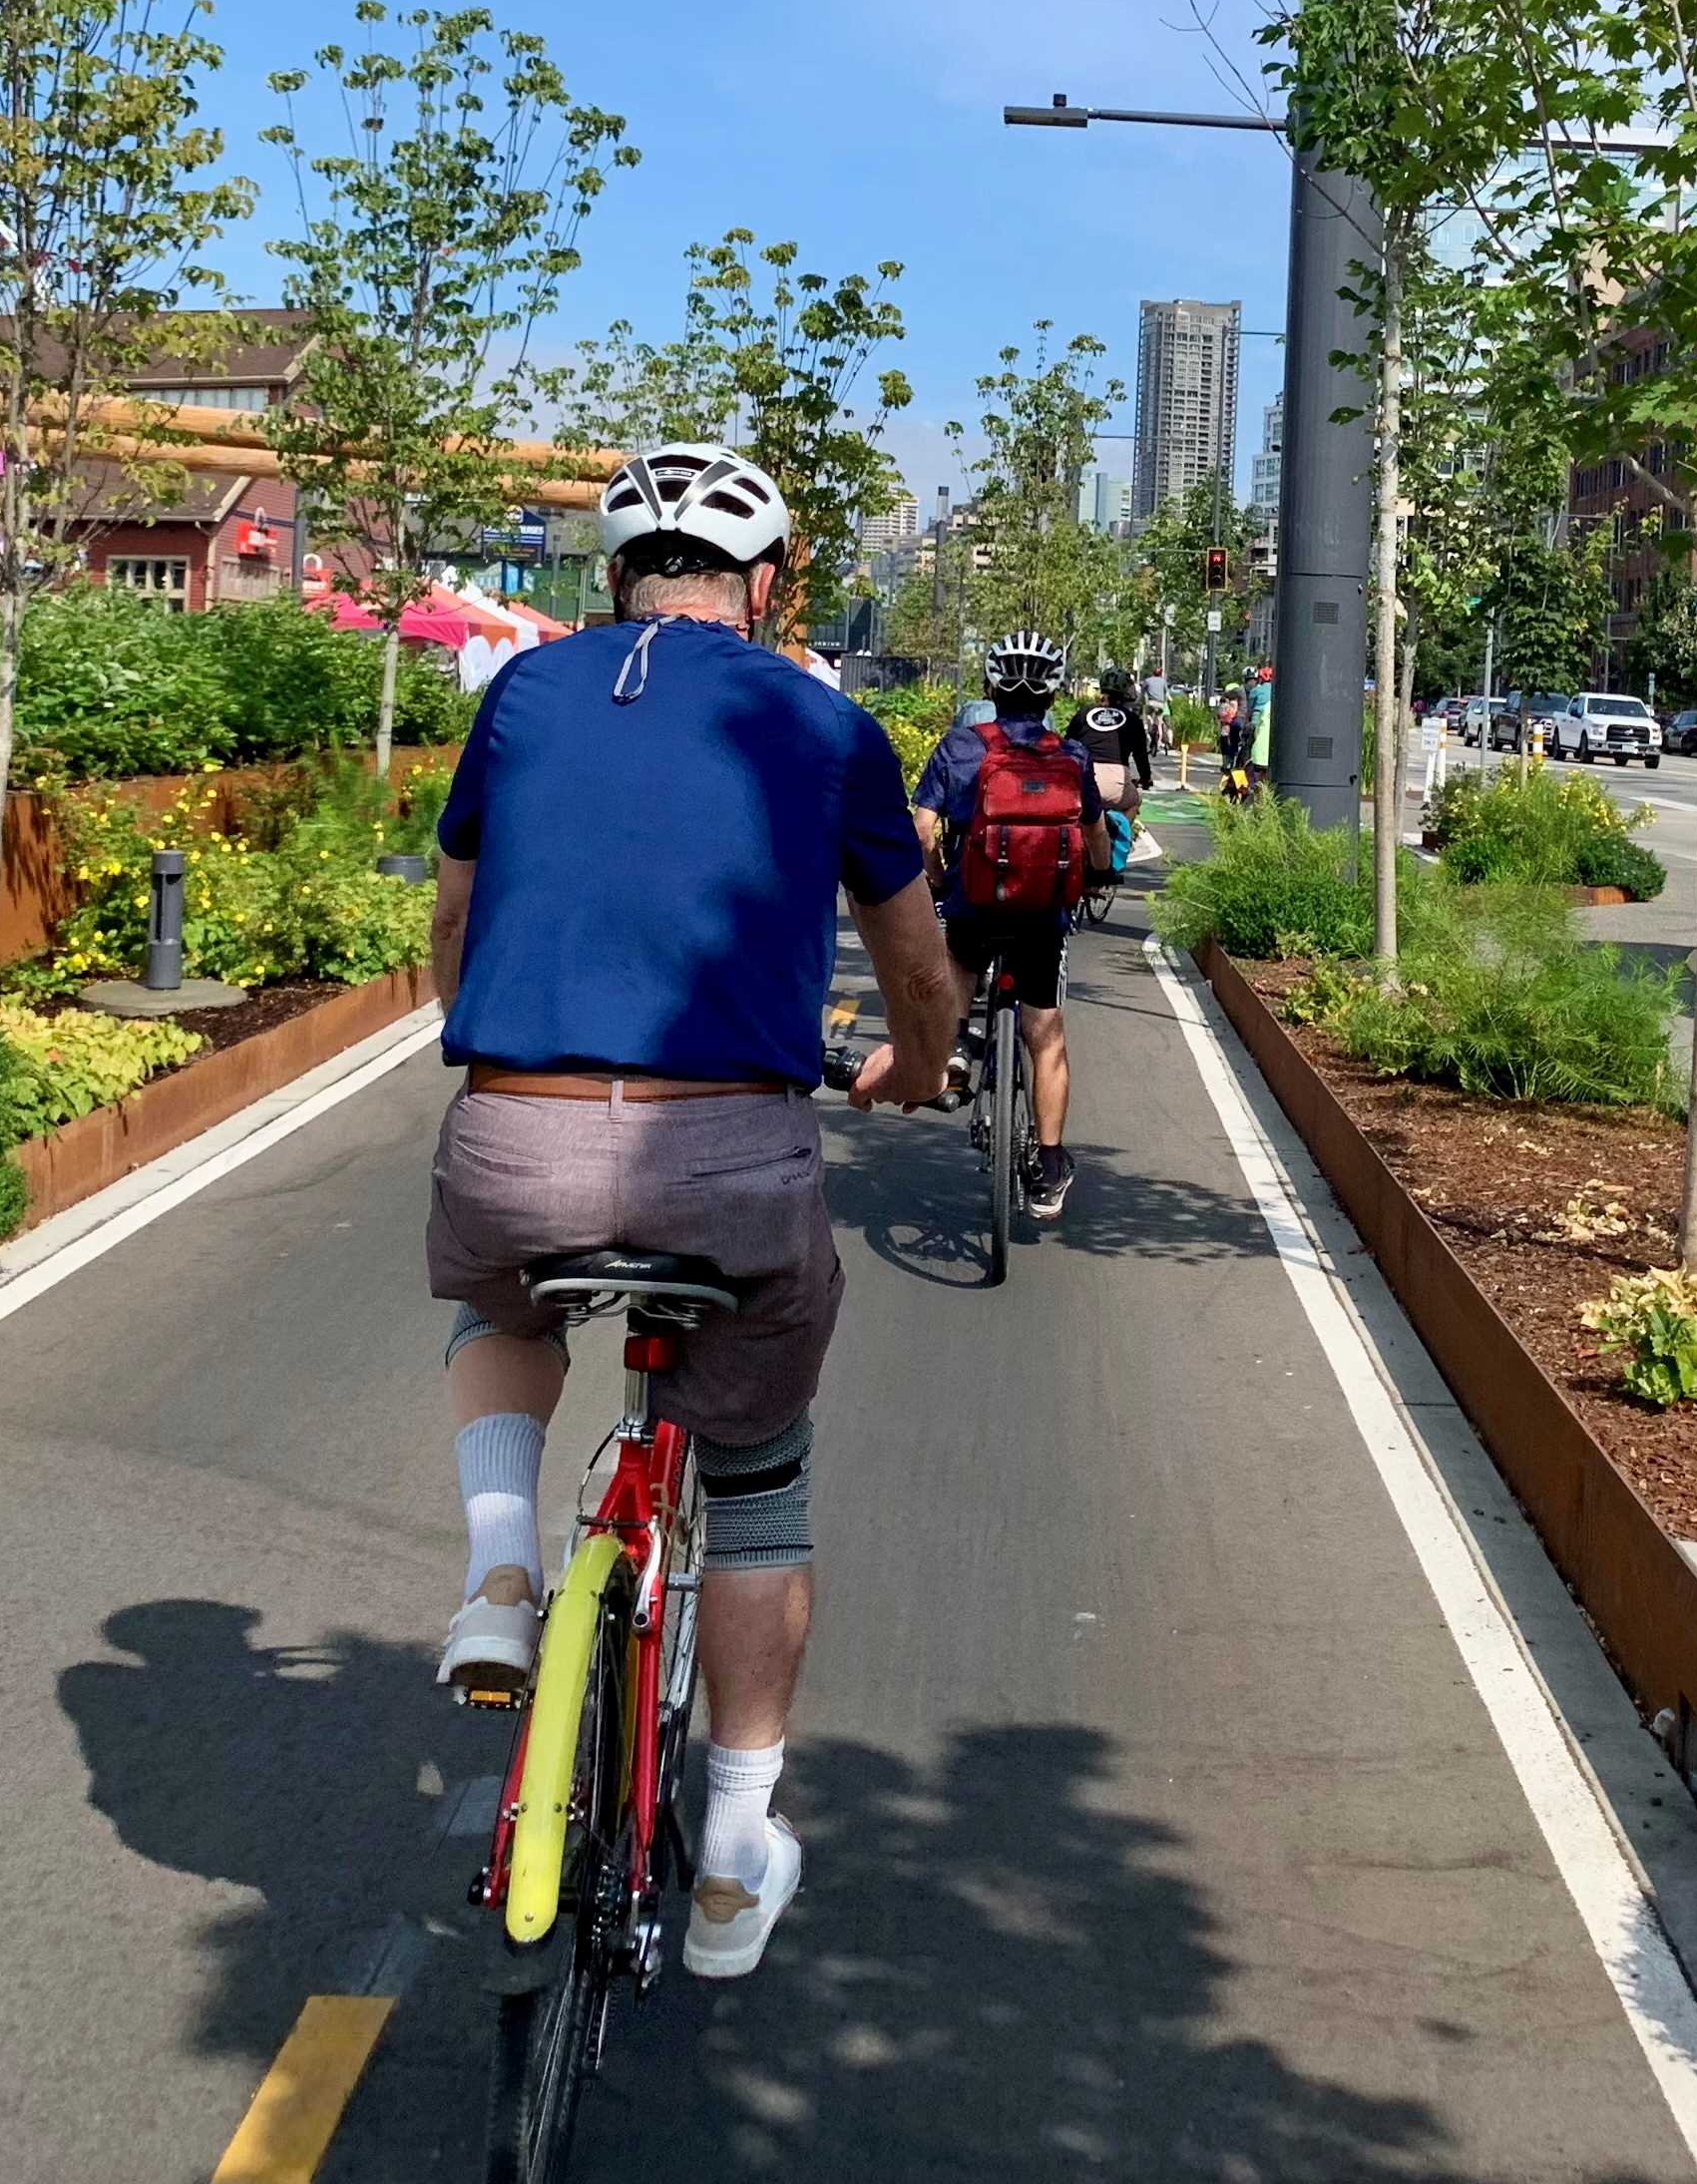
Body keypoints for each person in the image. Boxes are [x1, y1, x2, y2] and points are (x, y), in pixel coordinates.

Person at [426, 441, 962, 1980]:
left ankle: (501, 1574)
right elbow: (914, 964)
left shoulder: (523, 693)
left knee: (498, 1299)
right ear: (769, 585)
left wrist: (494, 1061)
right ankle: (733, 1838)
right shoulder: (827, 723)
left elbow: (455, 915)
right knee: (761, 1479)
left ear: (613, 580)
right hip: (731, 1159)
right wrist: (915, 1069)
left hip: (514, 1134)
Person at [909, 632, 1105, 1219]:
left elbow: (922, 828)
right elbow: (1094, 833)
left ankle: (957, 1048)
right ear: (1053, 695)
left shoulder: (959, 747)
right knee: (1046, 1037)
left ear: (990, 688)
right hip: (1043, 914)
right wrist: (1097, 874)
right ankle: (1048, 1166)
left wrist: (939, 879)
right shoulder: (1072, 756)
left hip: (974, 904)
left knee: (960, 959)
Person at [1063, 663, 1153, 887]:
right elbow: (1141, 757)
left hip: (1081, 777)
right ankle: (1114, 848)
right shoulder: (1132, 720)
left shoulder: (1084, 713)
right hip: (1115, 782)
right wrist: (1145, 779)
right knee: (1134, 802)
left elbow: (1067, 744)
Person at [1214, 685, 1256, 803]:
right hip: (1242, 733)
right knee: (1239, 763)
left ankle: (1233, 788)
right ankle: (1236, 789)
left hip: (1235, 732)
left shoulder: (1236, 697)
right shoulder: (1250, 694)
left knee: (1233, 762)